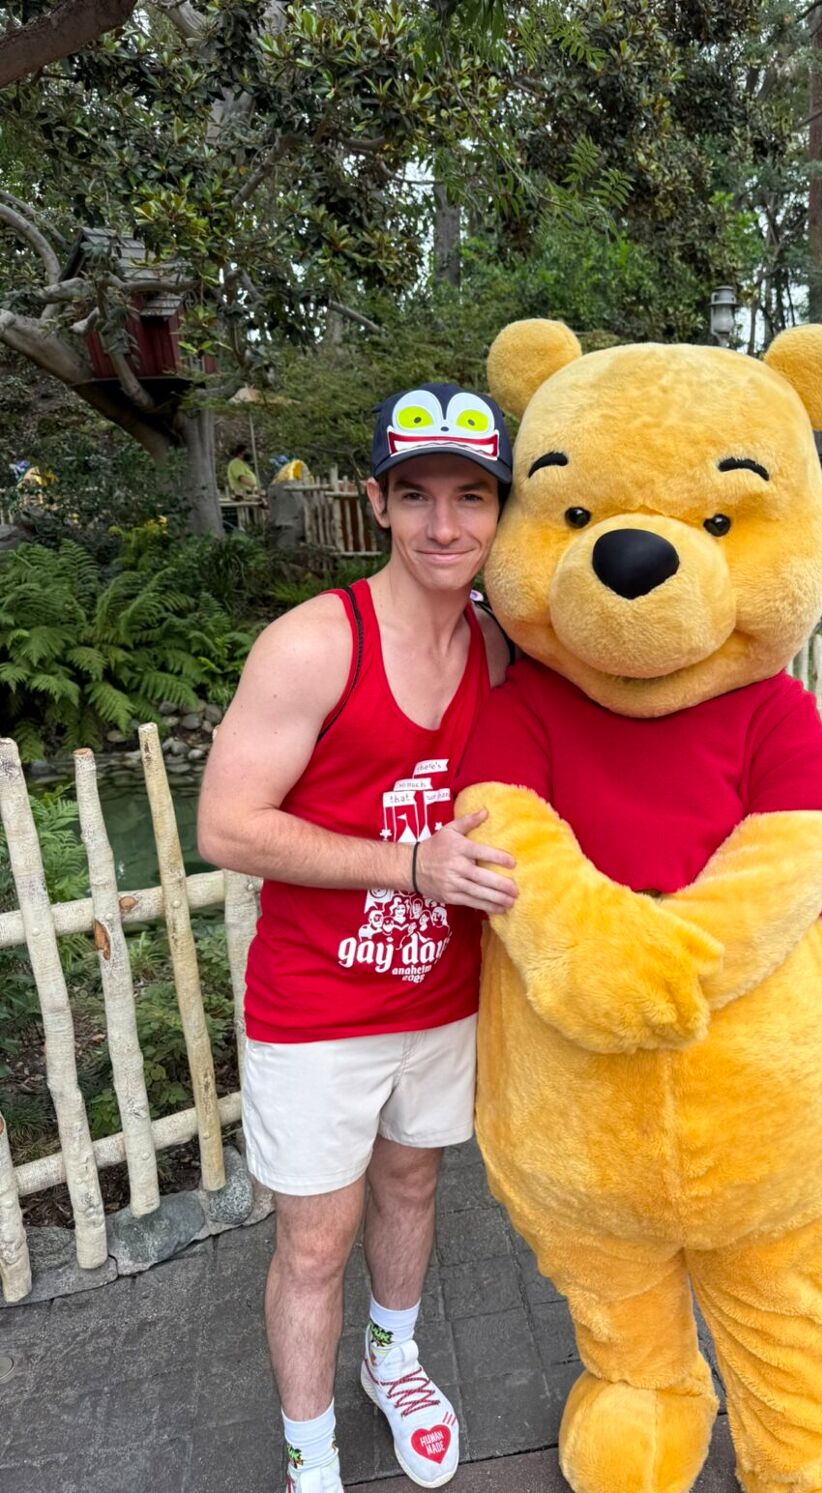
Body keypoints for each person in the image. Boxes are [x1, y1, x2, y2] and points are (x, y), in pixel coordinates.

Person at [198, 383, 519, 1493]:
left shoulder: (498, 647)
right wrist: (408, 863)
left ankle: (391, 1358)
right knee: (313, 1243)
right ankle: (310, 1454)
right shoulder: (313, 643)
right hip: (319, 1004)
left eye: (471, 497)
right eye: (418, 494)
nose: (446, 524)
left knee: (416, 1188)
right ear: (376, 502)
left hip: (441, 992)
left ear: (498, 512)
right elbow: (226, 824)